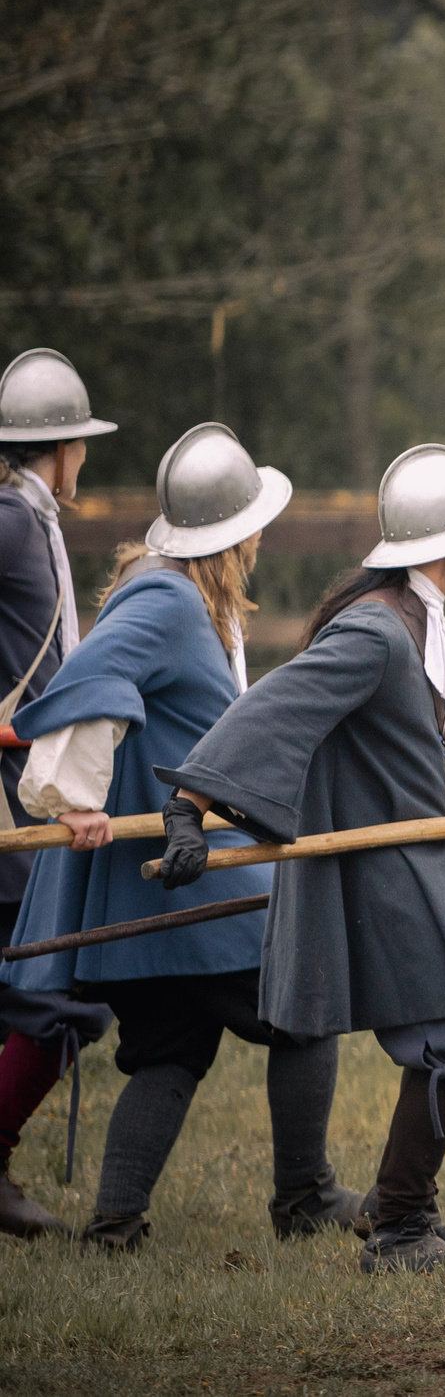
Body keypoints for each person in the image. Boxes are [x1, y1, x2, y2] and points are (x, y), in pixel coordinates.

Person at [161, 443, 445, 1271]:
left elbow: (425, 757)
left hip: (410, 861)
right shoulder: (377, 630)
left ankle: (401, 1216)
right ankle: (400, 1227)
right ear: (442, 548)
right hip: (385, 872)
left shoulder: (419, 620)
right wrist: (189, 806)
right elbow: (271, 710)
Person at [6, 424, 362, 1248]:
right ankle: (304, 1196)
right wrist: (72, 797)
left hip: (162, 882)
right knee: (306, 1001)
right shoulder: (164, 600)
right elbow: (89, 676)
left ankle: (114, 1224)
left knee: (171, 1045)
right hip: (196, 877)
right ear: (234, 536)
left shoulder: (174, 596)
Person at [0, 349, 117, 1235]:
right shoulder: (10, 521)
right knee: (57, 998)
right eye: (80, 444)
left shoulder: (29, 518)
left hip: (25, 785)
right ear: (65, 448)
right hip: (10, 795)